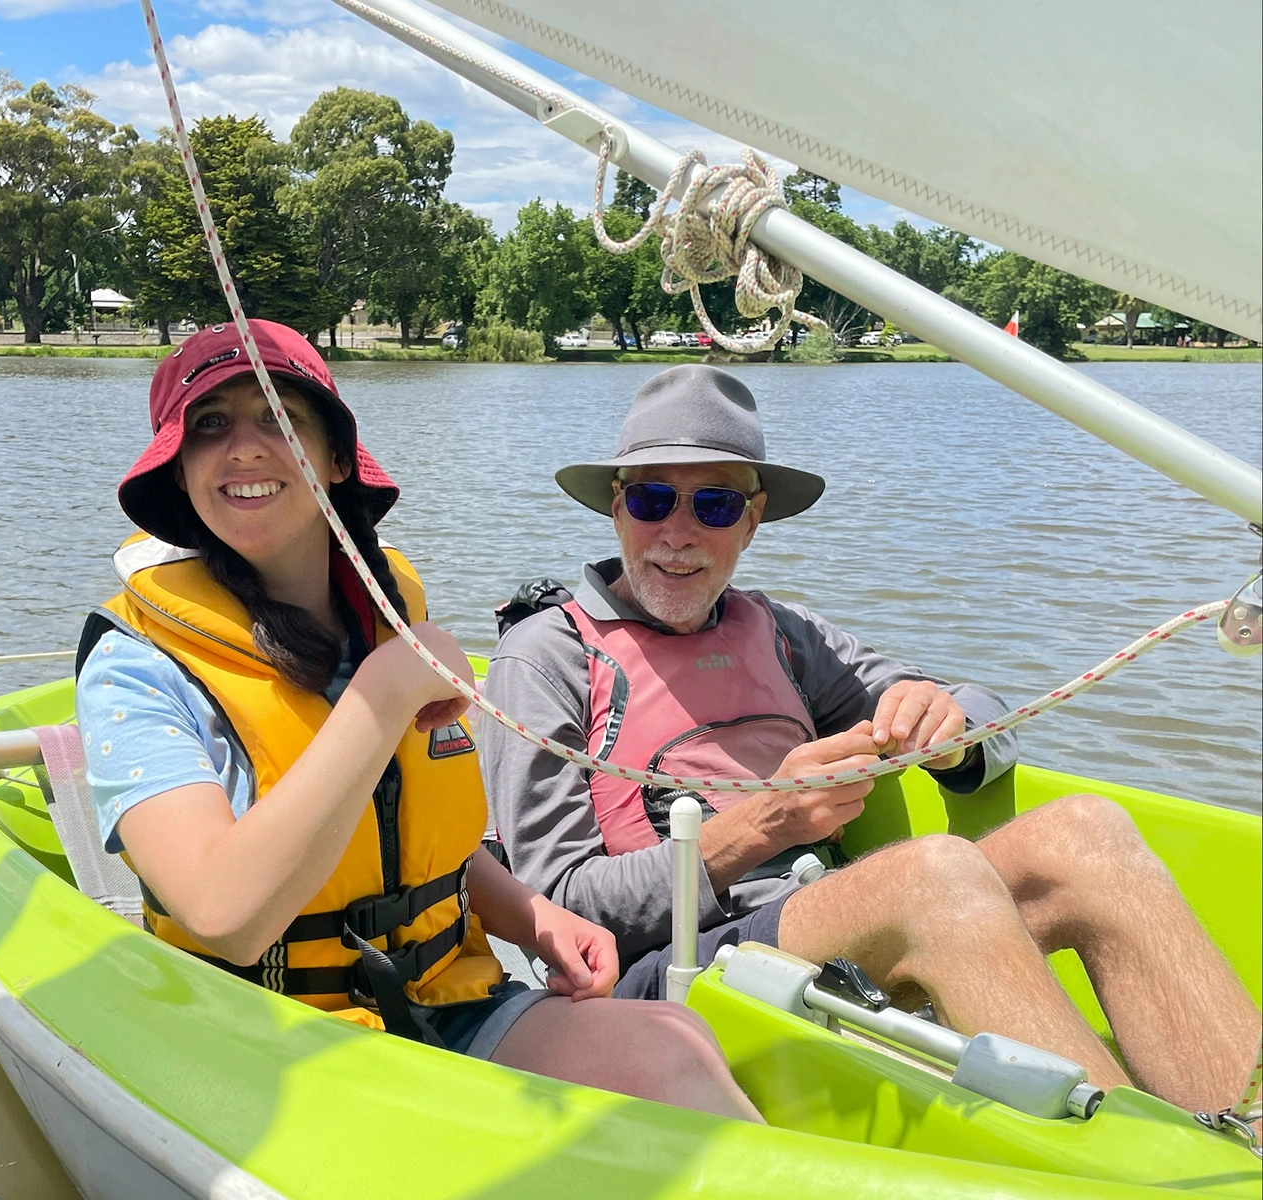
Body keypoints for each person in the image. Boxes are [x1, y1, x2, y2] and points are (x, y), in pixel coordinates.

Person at [479, 363, 1261, 1116]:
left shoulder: (784, 633)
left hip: (824, 923)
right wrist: (757, 828)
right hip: (669, 972)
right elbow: (558, 909)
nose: (677, 534)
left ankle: (1243, 1130)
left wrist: (944, 724)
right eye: (653, 500)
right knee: (932, 874)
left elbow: (982, 713)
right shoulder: (548, 656)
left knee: (1085, 832)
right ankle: (1143, 1172)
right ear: (616, 509)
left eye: (713, 506)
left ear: (751, 523)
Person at [73, 321, 760, 1121]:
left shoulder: (391, 614)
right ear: (180, 474)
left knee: (672, 1041)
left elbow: (418, 837)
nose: (245, 448)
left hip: (443, 997)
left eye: (278, 418)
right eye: (210, 426)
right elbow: (224, 917)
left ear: (335, 458)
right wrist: (385, 694)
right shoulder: (136, 665)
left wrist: (535, 918)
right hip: (260, 1036)